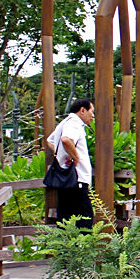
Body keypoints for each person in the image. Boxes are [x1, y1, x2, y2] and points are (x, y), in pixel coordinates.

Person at [46, 98, 94, 228]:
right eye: (91, 111)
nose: (93, 116)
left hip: (65, 179)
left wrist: (62, 155)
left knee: (65, 217)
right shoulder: (74, 123)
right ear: (82, 110)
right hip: (77, 178)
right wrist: (76, 157)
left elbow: (50, 141)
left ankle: (66, 247)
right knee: (85, 218)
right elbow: (66, 139)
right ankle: (83, 247)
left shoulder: (63, 123)